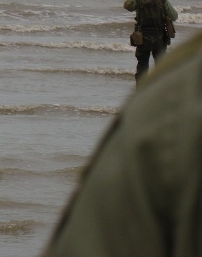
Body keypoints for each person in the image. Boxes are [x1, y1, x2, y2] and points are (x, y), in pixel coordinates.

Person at [41, 30, 202, 257]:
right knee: (160, 64)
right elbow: (172, 15)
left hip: (146, 51)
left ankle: (141, 89)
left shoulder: (170, 106)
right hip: (159, 47)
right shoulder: (180, 95)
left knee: (144, 71)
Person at [123, 0, 178, 84]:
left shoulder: (138, 0)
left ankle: (140, 96)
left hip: (142, 40)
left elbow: (127, 5)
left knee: (142, 70)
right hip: (159, 39)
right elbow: (174, 16)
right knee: (161, 70)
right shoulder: (162, 0)